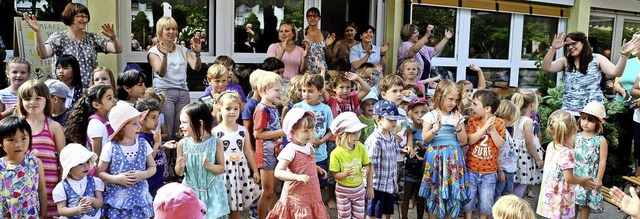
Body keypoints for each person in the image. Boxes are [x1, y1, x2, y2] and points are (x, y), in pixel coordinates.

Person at [23, 3, 123, 88]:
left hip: (89, 90)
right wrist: (37, 32)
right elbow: (43, 54)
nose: (85, 20)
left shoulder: (92, 38)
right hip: (65, 90)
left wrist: (114, 37)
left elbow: (117, 49)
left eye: (86, 17)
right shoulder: (59, 37)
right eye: (81, 16)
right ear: (70, 17)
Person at [540, 32, 640, 115]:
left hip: (592, 112)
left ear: (583, 43)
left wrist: (624, 55)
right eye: (567, 45)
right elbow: (546, 67)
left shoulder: (597, 59)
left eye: (573, 43)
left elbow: (616, 72)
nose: (570, 47)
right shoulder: (565, 61)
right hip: (569, 111)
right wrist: (553, 49)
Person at [266, 108, 329, 219]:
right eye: (305, 131)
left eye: (311, 130)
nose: (310, 134)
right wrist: (296, 176)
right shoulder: (290, 150)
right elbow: (278, 172)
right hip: (296, 198)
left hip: (311, 195)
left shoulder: (308, 145)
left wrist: (316, 167)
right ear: (292, 131)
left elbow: (306, 163)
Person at [96, 102, 156, 218]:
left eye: (139, 122)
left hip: (140, 200)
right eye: (134, 124)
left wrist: (142, 175)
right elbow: (100, 172)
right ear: (121, 128)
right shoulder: (110, 147)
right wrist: (116, 179)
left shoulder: (143, 144)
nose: (139, 126)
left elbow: (152, 167)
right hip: (118, 201)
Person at [419, 79, 468, 219]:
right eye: (450, 99)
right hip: (435, 160)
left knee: (452, 193)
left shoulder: (457, 117)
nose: (453, 103)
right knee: (434, 192)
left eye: (456, 100)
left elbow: (464, 141)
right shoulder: (430, 116)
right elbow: (425, 138)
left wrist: (458, 127)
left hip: (453, 161)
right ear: (440, 96)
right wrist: (435, 129)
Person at [18, 80, 67, 218]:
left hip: (51, 185)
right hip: (23, 185)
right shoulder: (16, 125)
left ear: (47, 100)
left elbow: (63, 159)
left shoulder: (54, 126)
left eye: (38, 98)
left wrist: (62, 184)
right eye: (27, 99)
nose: (32, 102)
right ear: (21, 101)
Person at [148, 16, 203, 140]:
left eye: (174, 29)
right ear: (160, 31)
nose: (172, 32)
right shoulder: (154, 52)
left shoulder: (182, 50)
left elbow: (196, 66)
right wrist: (165, 56)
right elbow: (160, 73)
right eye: (168, 29)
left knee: (182, 131)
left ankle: (179, 158)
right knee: (167, 131)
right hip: (164, 93)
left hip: (183, 92)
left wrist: (197, 53)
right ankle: (166, 158)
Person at [536, 110, 596, 219]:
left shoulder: (551, 145)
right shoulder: (567, 152)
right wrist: (582, 181)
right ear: (574, 130)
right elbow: (568, 178)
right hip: (561, 199)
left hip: (549, 196)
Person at [174, 102, 230, 218]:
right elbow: (178, 172)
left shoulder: (216, 142)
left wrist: (209, 166)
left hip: (212, 193)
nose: (181, 126)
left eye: (184, 122)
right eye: (181, 122)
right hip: (191, 192)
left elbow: (221, 168)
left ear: (200, 123)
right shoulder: (182, 144)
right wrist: (181, 166)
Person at [212, 91, 261, 219]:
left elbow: (248, 151)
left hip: (240, 172)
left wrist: (255, 171)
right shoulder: (215, 132)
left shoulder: (242, 130)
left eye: (236, 108)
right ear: (219, 109)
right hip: (223, 172)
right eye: (228, 108)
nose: (232, 112)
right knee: (222, 206)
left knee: (236, 206)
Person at [294, 73, 336, 208]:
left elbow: (331, 130)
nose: (306, 94)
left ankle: (315, 207)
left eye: (310, 91)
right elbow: (292, 131)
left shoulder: (326, 109)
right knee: (303, 184)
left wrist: (322, 140)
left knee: (318, 184)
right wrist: (306, 139)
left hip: (320, 154)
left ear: (320, 91)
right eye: (303, 90)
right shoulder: (298, 108)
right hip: (302, 155)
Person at [463, 90, 505, 219]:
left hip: (489, 172)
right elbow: (470, 140)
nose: (471, 107)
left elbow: (500, 144)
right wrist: (484, 128)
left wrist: (491, 130)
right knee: (469, 200)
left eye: (475, 104)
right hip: (471, 170)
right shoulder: (472, 121)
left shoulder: (499, 123)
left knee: (486, 202)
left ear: (487, 108)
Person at [253, 71, 286, 219]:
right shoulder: (262, 109)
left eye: (281, 89)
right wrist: (281, 131)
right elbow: (258, 134)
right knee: (267, 191)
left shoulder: (272, 107)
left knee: (273, 190)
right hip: (266, 153)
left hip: (275, 151)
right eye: (277, 90)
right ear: (264, 90)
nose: (280, 93)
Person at [0, 116, 47, 218]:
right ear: (1, 142)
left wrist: (43, 215)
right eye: (11, 140)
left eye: (23, 138)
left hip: (30, 214)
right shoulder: (1, 165)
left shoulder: (35, 163)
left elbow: (42, 190)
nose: (18, 144)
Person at [329, 112, 373, 219]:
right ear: (342, 134)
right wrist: (347, 173)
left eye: (358, 132)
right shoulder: (336, 153)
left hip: (359, 189)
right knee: (344, 215)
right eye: (353, 133)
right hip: (343, 191)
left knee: (359, 216)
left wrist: (365, 170)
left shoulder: (361, 147)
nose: (357, 135)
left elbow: (367, 164)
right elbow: (335, 175)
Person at [365, 100, 404, 219]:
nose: (394, 122)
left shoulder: (392, 137)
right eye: (390, 119)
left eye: (395, 120)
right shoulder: (375, 140)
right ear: (378, 119)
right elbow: (370, 164)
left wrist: (394, 181)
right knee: (373, 214)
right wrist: (370, 186)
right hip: (377, 185)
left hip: (389, 184)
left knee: (386, 213)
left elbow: (393, 161)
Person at [573, 102, 608, 218]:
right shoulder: (575, 136)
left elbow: (602, 161)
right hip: (575, 175)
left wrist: (599, 179)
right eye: (583, 119)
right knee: (573, 201)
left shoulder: (600, 140)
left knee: (586, 203)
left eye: (590, 120)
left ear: (597, 122)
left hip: (590, 176)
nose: (585, 123)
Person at [53, 143, 104, 219]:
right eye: (80, 164)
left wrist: (92, 200)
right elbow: (61, 210)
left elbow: (100, 203)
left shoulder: (94, 181)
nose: (86, 166)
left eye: (87, 162)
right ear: (70, 168)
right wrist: (77, 209)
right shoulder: (62, 187)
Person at [64, 84, 116, 158]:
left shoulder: (109, 119)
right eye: (109, 98)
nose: (115, 101)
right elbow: (96, 156)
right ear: (96, 105)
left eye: (114, 97)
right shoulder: (96, 124)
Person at [136, 98, 174, 198]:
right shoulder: (141, 138)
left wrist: (163, 147)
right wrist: (157, 143)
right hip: (150, 184)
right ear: (142, 119)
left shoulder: (151, 134)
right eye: (153, 117)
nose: (157, 121)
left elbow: (155, 153)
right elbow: (148, 161)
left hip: (158, 181)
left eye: (157, 117)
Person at [511, 91, 543, 198]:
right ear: (532, 104)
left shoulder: (516, 118)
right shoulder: (528, 121)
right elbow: (529, 143)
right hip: (525, 157)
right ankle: (515, 205)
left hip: (516, 154)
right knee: (522, 183)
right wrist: (538, 159)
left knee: (515, 182)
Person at [614, 44, 640, 176]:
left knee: (638, 140)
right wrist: (622, 91)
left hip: (637, 107)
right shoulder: (628, 62)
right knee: (624, 139)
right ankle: (622, 172)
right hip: (622, 105)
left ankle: (637, 174)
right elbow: (616, 82)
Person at [402, 98, 428, 219]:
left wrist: (423, 148)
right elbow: (403, 145)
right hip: (408, 169)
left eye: (423, 112)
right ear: (410, 113)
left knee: (421, 199)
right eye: (416, 112)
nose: (420, 115)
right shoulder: (407, 129)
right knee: (406, 197)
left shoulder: (428, 129)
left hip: (423, 170)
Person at [493, 100, 519, 200]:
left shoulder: (505, 130)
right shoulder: (499, 131)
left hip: (509, 169)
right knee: (499, 195)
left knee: (508, 194)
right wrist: (499, 171)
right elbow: (494, 153)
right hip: (503, 169)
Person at [299, 7, 335, 73]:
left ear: (319, 18)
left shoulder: (325, 34)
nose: (312, 18)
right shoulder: (301, 34)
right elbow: (297, 56)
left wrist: (327, 46)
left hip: (323, 72)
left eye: (315, 16)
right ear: (307, 18)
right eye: (309, 16)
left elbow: (330, 59)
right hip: (307, 72)